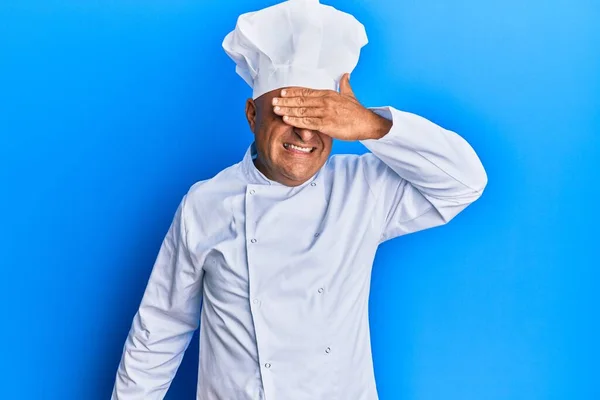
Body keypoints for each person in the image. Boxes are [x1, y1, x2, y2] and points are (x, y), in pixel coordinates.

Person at [111, 0, 487, 399]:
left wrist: (372, 126)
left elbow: (465, 182)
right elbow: (159, 329)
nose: (305, 134)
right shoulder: (204, 204)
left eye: (319, 116)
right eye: (289, 112)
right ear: (253, 114)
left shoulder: (363, 189)